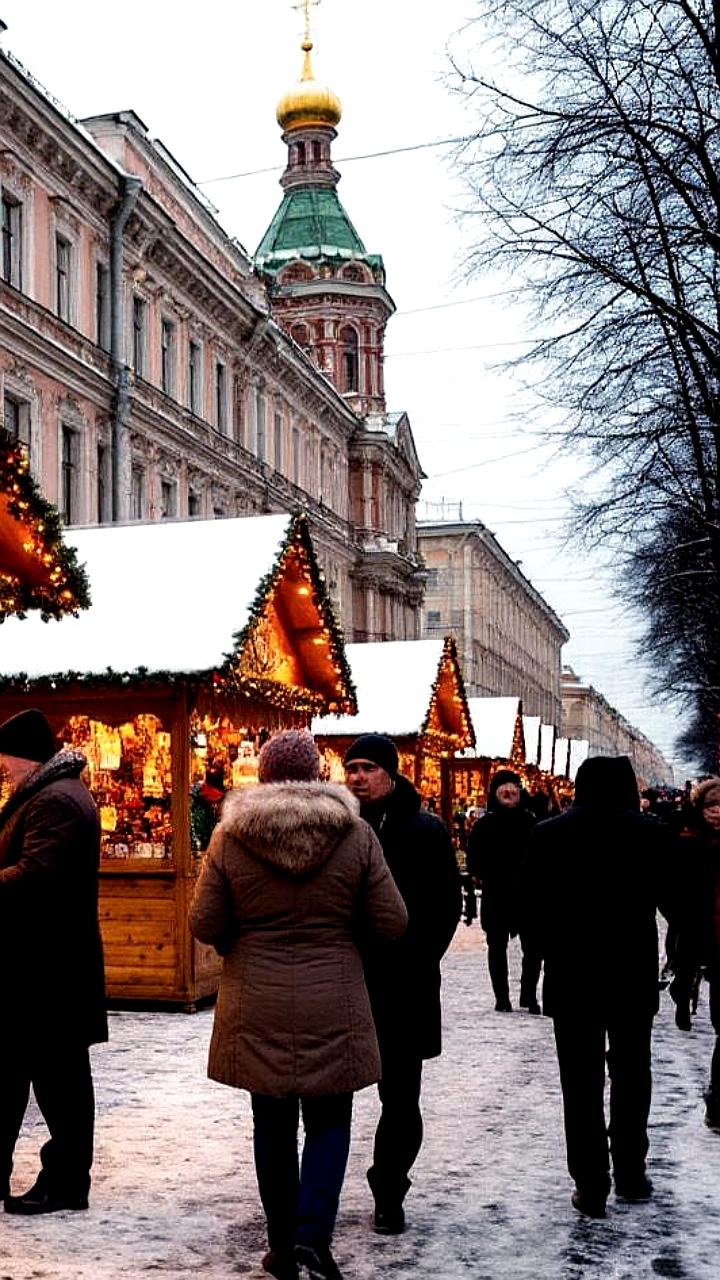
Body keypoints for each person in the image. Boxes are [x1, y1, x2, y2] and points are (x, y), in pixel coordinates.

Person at [189, 729, 407, 1280]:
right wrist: (343, 935)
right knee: (331, 1120)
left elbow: (205, 922)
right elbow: (392, 921)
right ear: (317, 774)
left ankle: (283, 1243)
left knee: (272, 1122)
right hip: (334, 997)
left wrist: (244, 938)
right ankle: (314, 1236)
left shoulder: (229, 837)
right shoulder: (354, 834)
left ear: (261, 775)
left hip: (255, 999)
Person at [524, 755, 670, 1218]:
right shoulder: (650, 834)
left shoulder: (549, 834)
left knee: (580, 1081)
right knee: (632, 1072)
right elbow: (673, 901)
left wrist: (548, 951)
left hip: (573, 975)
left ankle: (590, 1182)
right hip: (631, 972)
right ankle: (630, 1169)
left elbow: (534, 910)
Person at [343, 733, 461, 1235]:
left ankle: (389, 1188)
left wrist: (416, 956)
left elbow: (444, 907)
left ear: (391, 773)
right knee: (331, 1095)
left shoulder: (424, 830)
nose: (358, 777)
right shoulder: (337, 826)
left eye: (368, 767)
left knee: (400, 1095)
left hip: (405, 984)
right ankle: (318, 1190)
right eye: (352, 768)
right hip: (345, 982)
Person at [0, 707, 107, 1215]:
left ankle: (66, 1181)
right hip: (37, 967)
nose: (3, 769)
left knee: (60, 1083)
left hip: (48, 969)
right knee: (28, 1075)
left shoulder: (56, 800)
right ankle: (59, 1177)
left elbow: (37, 876)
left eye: (6, 760)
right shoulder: (49, 794)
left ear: (25, 758)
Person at [465, 768, 540, 1013]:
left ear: (520, 791)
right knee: (497, 947)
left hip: (529, 895)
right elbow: (473, 859)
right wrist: (484, 875)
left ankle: (528, 995)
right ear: (494, 792)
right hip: (497, 894)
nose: (508, 791)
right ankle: (502, 998)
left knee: (534, 948)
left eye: (512, 786)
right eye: (502, 787)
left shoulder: (532, 822)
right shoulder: (483, 825)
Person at [670, 776, 720, 1130]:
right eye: (711, 807)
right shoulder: (686, 841)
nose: (717, 813)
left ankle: (718, 1101)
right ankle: (681, 994)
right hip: (696, 928)